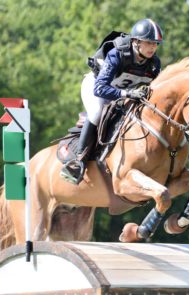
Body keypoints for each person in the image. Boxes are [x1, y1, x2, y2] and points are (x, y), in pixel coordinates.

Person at [60, 18, 164, 185]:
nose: (153, 47)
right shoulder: (118, 54)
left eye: (156, 44)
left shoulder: (154, 65)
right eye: (149, 43)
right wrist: (128, 93)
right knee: (96, 112)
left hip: (124, 96)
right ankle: (78, 161)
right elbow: (100, 88)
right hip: (96, 87)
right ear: (136, 41)